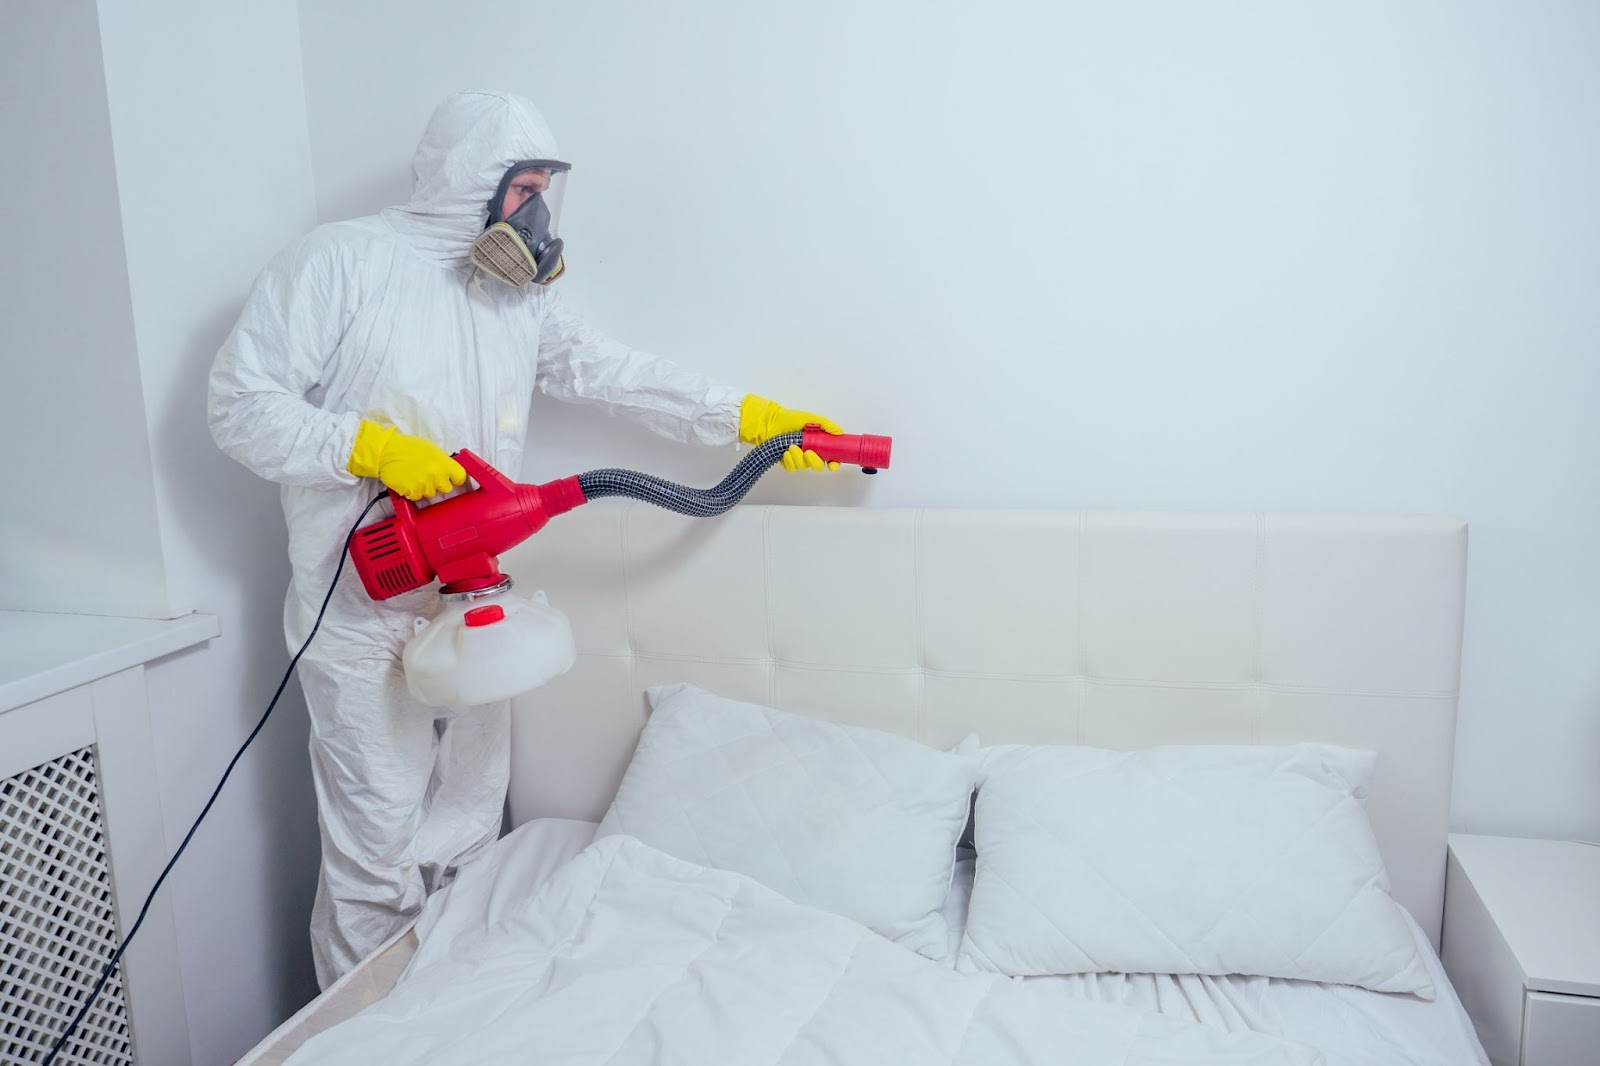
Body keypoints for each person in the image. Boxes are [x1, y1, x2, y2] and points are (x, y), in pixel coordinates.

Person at [207, 89, 841, 988]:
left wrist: (749, 420)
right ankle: (362, 1032)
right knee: (375, 846)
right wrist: (364, 445)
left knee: (469, 827)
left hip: (472, 600)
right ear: (470, 183)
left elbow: (608, 371)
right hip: (360, 610)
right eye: (523, 187)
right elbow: (238, 404)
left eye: (546, 189)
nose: (536, 212)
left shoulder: (507, 300)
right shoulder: (339, 263)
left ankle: (456, 1013)